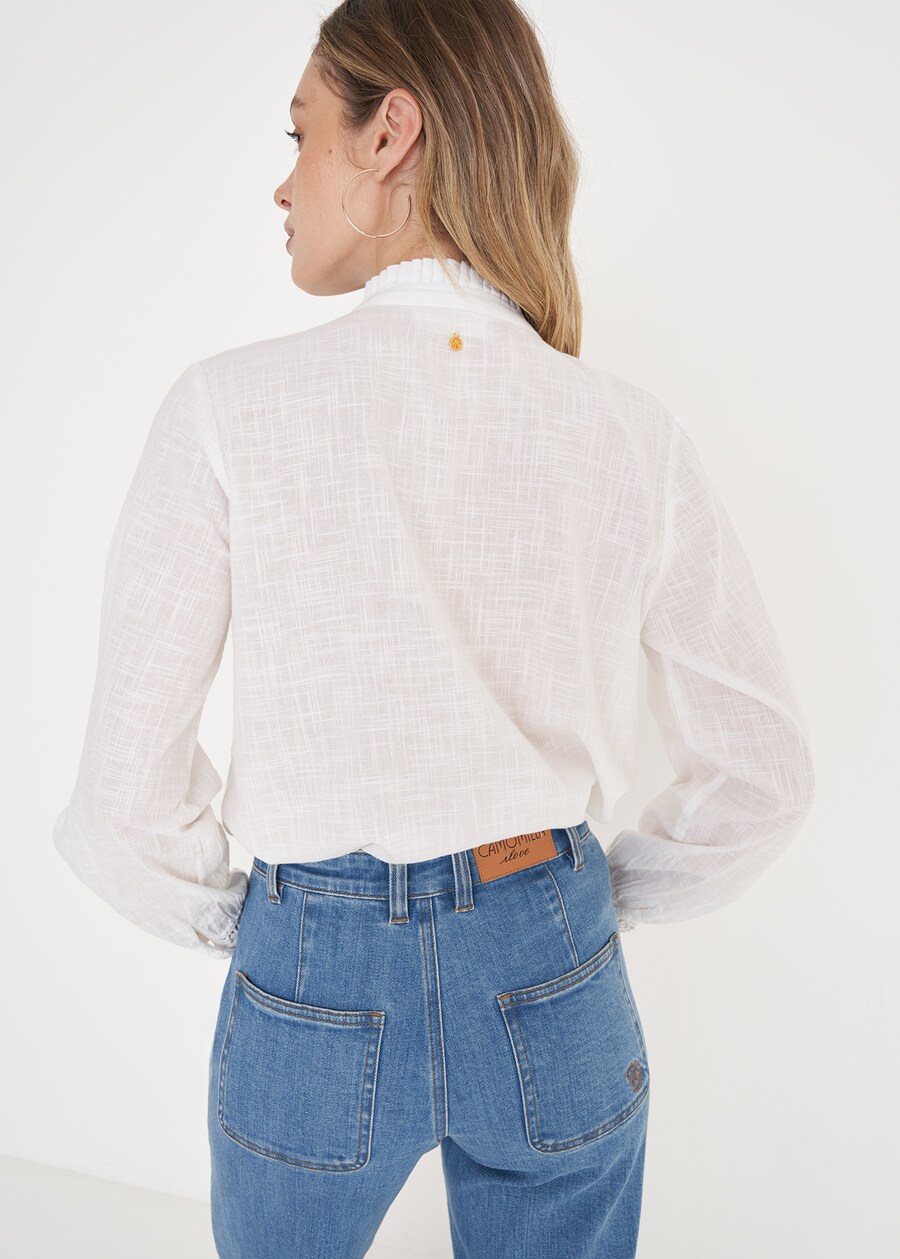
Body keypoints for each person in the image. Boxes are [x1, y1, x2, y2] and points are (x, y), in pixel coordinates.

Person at [51, 1, 816, 1255]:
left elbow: (121, 803)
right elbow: (765, 773)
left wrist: (273, 927)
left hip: (312, 963)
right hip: (551, 950)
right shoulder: (630, 435)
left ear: (389, 131)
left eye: (301, 132)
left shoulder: (227, 410)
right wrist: (576, 903)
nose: (282, 182)